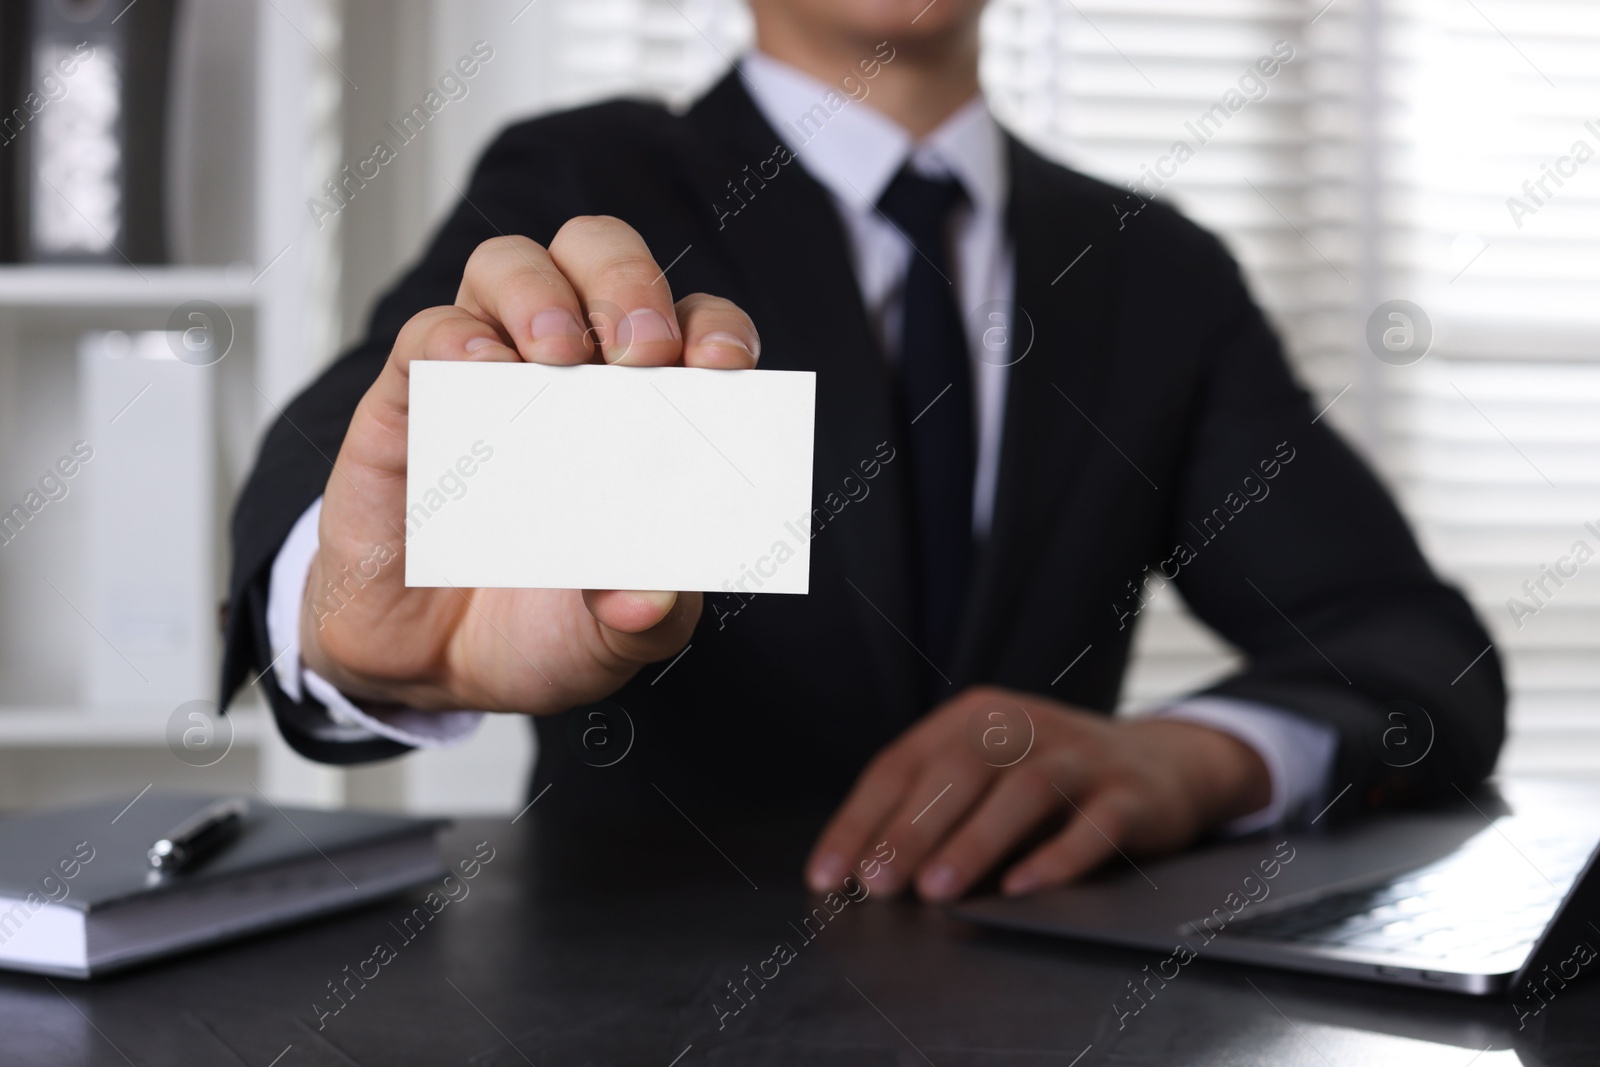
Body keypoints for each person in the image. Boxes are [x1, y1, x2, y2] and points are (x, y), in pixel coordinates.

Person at [222, 0, 1504, 903]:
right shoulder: (587, 180)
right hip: (636, 985)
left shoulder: (1151, 270)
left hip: (1048, 992)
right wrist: (346, 627)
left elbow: (1405, 645)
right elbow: (335, 459)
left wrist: (1196, 760)